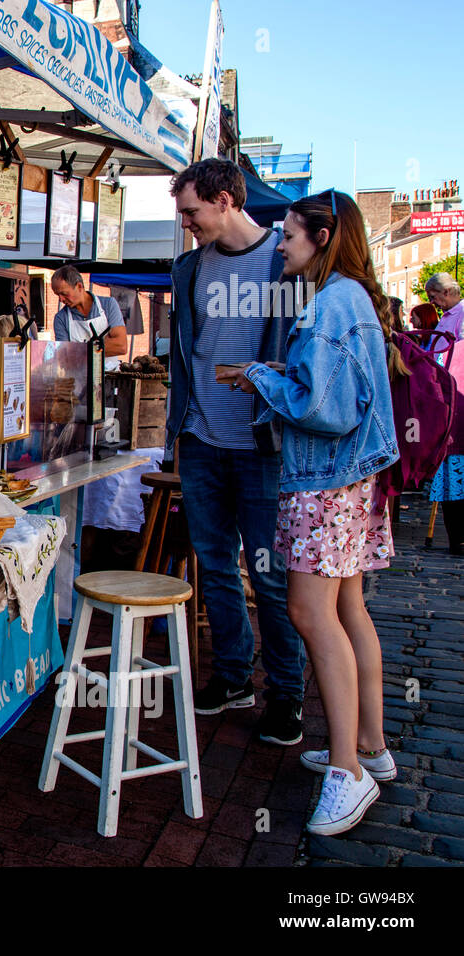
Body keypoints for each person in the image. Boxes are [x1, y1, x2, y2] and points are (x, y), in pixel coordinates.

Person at [227, 189, 402, 835]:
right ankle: (369, 747)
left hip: (326, 483)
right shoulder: (350, 298)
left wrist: (264, 378)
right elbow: (335, 389)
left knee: (308, 612)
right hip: (355, 481)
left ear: (323, 237)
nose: (281, 245)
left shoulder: (330, 303)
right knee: (349, 610)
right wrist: (283, 371)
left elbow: (322, 409)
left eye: (291, 236)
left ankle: (349, 774)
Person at [167, 158, 307, 745]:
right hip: (202, 441)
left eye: (192, 211)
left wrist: (266, 378)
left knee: (270, 575)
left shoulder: (284, 261)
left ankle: (288, 694)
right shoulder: (188, 268)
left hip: (262, 445)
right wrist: (177, 433)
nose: (186, 223)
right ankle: (232, 677)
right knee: (216, 566)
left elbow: (303, 353)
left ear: (225, 200)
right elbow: (183, 355)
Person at [424, 272, 464, 554]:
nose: (433, 302)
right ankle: (455, 537)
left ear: (447, 291)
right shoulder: (447, 315)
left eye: (434, 296)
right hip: (446, 396)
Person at [50, 266, 127, 364]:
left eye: (64, 293)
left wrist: (79, 350)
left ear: (79, 286)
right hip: (79, 377)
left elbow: (121, 346)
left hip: (110, 374)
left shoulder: (108, 305)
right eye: (57, 295)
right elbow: (65, 356)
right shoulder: (61, 318)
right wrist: (103, 344)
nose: (61, 299)